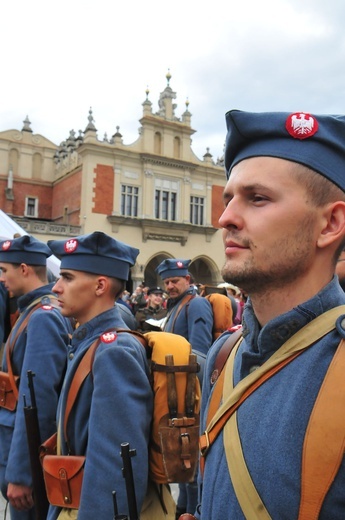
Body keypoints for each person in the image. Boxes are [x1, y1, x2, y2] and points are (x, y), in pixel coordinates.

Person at [193, 110, 345, 520]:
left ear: (330, 223)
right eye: (228, 200)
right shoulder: (224, 356)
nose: (224, 218)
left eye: (257, 198)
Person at [46, 231, 154, 520]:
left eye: (67, 278)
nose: (56, 287)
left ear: (100, 286)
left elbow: (115, 466)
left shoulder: (113, 351)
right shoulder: (92, 342)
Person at [0, 235, 71, 520]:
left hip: (29, 459)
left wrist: (22, 473)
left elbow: (37, 399)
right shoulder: (34, 310)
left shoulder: (42, 316)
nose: (1, 279)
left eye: (4, 270)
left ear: (25, 269)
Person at [155, 259, 213, 518]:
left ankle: (191, 510)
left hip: (190, 390)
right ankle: (183, 509)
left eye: (175, 281)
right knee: (179, 455)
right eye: (167, 282)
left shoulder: (196, 303)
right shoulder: (177, 306)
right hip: (176, 390)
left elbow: (198, 353)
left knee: (189, 457)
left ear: (187, 280)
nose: (170, 286)